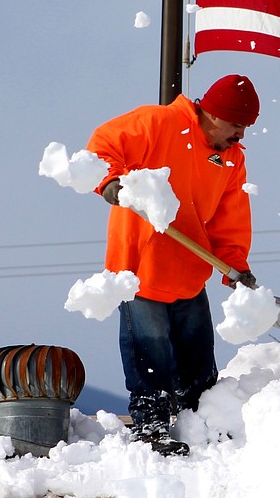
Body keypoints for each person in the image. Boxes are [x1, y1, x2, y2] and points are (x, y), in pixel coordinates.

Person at [86, 74, 261, 455]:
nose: (240, 136)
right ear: (213, 115)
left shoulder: (230, 159)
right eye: (236, 126)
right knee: (150, 358)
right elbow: (102, 146)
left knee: (199, 362)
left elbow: (230, 218)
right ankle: (151, 430)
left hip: (189, 272)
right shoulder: (158, 123)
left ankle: (205, 427)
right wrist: (110, 182)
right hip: (140, 269)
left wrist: (234, 264)